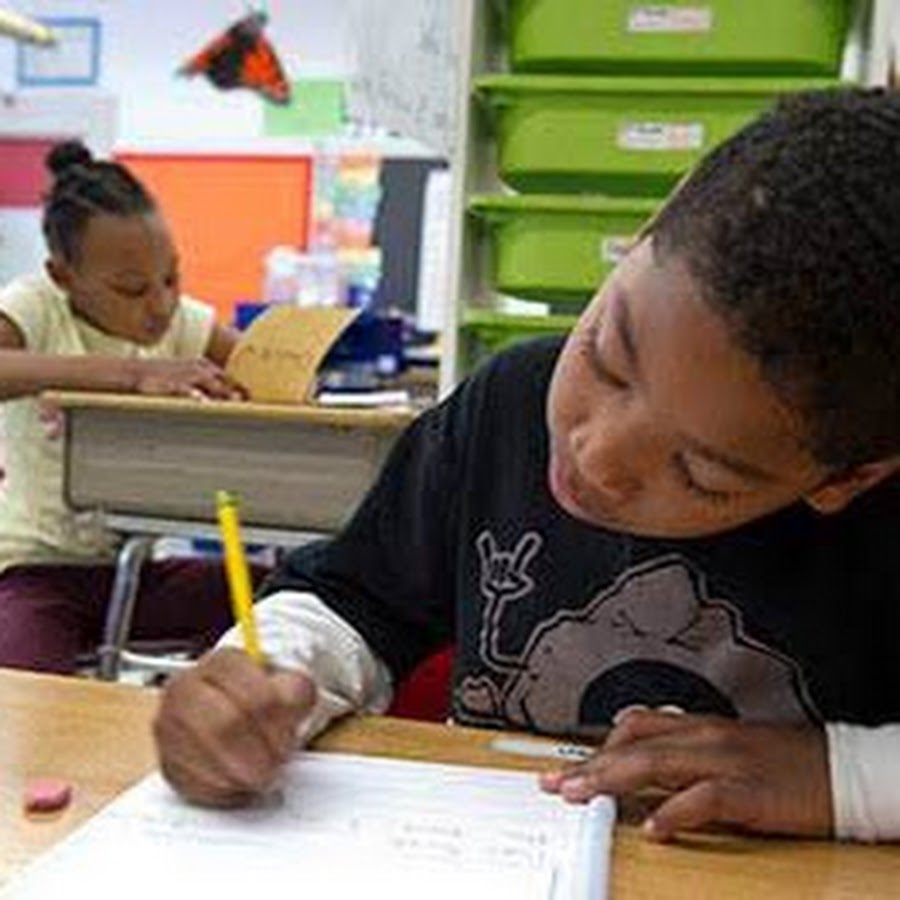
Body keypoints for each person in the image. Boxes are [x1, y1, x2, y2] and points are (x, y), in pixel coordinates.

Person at [154, 88, 900, 843]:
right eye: (607, 357)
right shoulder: (507, 403)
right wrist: (251, 686)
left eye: (700, 475)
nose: (595, 454)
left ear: (848, 479)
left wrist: (842, 780)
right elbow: (355, 601)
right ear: (649, 229)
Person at [0, 140, 257, 675]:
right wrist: (131, 375)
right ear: (63, 277)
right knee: (26, 692)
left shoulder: (182, 322)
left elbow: (264, 368)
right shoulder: (37, 307)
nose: (160, 305)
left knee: (276, 601)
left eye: (171, 279)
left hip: (133, 573)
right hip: (30, 572)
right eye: (132, 289)